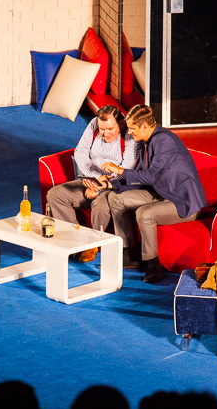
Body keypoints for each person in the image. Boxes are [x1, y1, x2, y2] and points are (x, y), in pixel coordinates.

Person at [87, 105, 205, 283]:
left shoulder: (164, 141)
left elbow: (151, 176)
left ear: (144, 126)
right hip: (159, 193)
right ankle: (129, 254)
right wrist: (109, 185)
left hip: (181, 201)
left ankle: (152, 265)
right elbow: (141, 177)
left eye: (132, 128)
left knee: (145, 213)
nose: (130, 133)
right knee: (115, 198)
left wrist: (119, 170)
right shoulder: (146, 142)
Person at [46, 104, 138, 262]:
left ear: (121, 123)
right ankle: (73, 241)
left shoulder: (129, 134)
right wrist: (95, 177)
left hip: (116, 185)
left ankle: (92, 245)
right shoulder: (94, 123)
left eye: (110, 129)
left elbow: (127, 169)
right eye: (102, 129)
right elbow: (80, 152)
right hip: (92, 178)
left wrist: (100, 189)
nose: (105, 134)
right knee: (55, 194)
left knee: (100, 205)